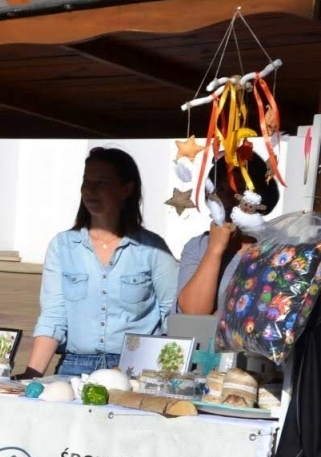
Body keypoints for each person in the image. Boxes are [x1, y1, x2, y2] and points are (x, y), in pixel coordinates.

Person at [23, 147, 178, 378]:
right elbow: (53, 317)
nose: (91, 191)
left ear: (126, 188)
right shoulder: (63, 245)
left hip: (134, 369)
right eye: (87, 182)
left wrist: (145, 366)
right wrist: (31, 374)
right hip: (73, 368)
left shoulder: (153, 248)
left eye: (101, 183)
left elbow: (172, 317)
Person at [176, 152, 281, 316]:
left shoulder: (280, 247)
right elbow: (193, 312)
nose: (227, 197)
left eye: (238, 190)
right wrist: (214, 249)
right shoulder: (198, 247)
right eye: (221, 189)